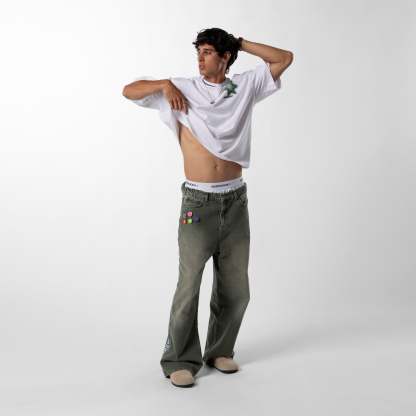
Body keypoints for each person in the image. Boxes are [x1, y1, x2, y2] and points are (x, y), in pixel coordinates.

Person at [122, 27, 293, 388]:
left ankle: (220, 350)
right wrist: (164, 85)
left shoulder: (243, 86)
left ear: (225, 57)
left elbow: (284, 58)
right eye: (198, 52)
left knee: (236, 287)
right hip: (198, 202)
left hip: (235, 201)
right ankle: (179, 359)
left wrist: (239, 42)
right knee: (189, 285)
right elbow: (129, 90)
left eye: (208, 52)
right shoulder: (182, 88)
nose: (200, 59)